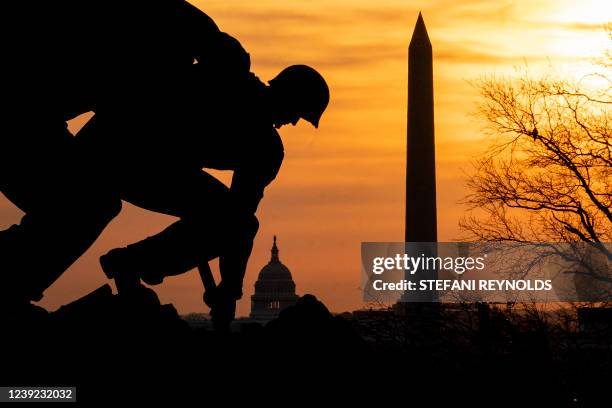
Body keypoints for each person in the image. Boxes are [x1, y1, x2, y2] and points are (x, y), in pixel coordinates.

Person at [0, 0, 249, 309]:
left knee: (87, 204)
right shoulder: (150, 49)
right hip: (17, 120)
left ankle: (12, 280)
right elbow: (117, 121)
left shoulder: (165, 48)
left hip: (34, 123)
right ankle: (9, 282)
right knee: (87, 205)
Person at [76, 64, 330, 325]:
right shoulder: (260, 140)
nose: (294, 121)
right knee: (237, 224)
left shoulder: (232, 87)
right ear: (288, 96)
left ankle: (132, 262)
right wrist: (229, 291)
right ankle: (132, 263)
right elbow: (238, 220)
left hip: (132, 153)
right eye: (298, 112)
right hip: (125, 152)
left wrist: (229, 288)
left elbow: (237, 215)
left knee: (231, 221)